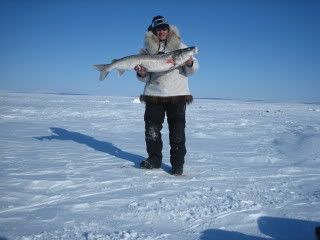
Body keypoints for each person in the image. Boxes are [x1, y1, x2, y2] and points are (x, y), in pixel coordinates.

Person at [135, 16, 199, 175]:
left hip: (176, 94)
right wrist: (142, 74)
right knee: (152, 130)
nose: (162, 31)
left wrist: (190, 63)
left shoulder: (181, 47)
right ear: (154, 31)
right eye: (158, 29)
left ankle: (178, 165)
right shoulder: (146, 51)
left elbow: (193, 69)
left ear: (168, 29)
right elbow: (145, 77)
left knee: (177, 131)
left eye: (164, 28)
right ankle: (154, 160)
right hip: (153, 95)